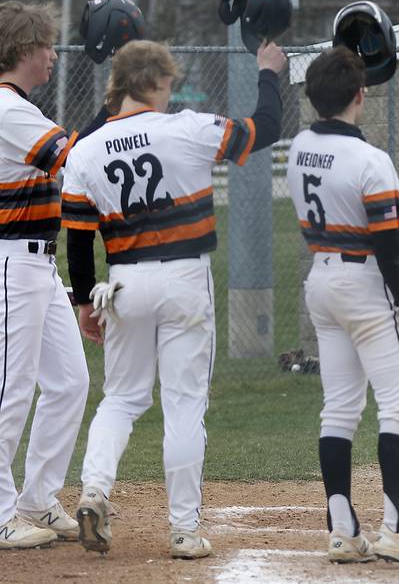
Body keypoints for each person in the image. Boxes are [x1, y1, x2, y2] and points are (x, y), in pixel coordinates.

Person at [61, 38, 287, 558]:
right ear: (155, 83)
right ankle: (184, 530)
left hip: (121, 284)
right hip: (185, 278)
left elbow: (76, 234)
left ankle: (95, 490)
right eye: (166, 84)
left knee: (120, 399)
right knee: (184, 404)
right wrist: (269, 72)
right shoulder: (186, 127)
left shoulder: (87, 148)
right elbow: (265, 130)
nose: (168, 92)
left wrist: (82, 303)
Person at [285, 46, 399, 568]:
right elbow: (384, 243)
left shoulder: (297, 146)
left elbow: (373, 229)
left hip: (322, 279)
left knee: (339, 407)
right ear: (361, 96)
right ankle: (397, 530)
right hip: (365, 285)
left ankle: (342, 531)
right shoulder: (370, 159)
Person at [0, 0, 91, 550]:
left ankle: (36, 497)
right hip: (11, 260)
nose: (53, 55)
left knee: (69, 382)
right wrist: (122, 114)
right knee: (10, 390)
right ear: (21, 49)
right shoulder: (7, 108)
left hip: (38, 263)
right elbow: (75, 158)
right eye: (45, 45)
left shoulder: (19, 107)